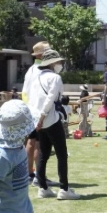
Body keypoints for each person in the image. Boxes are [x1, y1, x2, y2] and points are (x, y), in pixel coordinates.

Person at [27, 49, 79, 200]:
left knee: (43, 153)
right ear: (52, 63)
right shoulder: (55, 77)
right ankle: (64, 188)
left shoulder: (37, 78)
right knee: (61, 154)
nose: (60, 64)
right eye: (58, 62)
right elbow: (51, 99)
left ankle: (43, 187)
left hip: (38, 120)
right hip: (49, 118)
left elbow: (32, 98)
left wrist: (38, 118)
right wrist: (43, 116)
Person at [22, 42, 50, 181]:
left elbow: (25, 92)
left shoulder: (31, 69)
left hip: (29, 109)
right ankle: (39, 175)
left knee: (31, 141)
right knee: (39, 143)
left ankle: (29, 174)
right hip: (39, 111)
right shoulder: (42, 70)